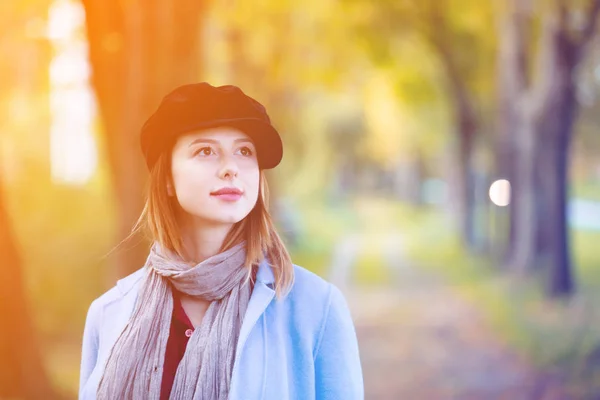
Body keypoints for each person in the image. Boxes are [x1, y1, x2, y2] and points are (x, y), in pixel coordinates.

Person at [78, 83, 363, 400]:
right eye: (205, 151)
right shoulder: (109, 313)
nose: (230, 168)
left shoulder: (315, 308)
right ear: (168, 180)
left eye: (244, 151)